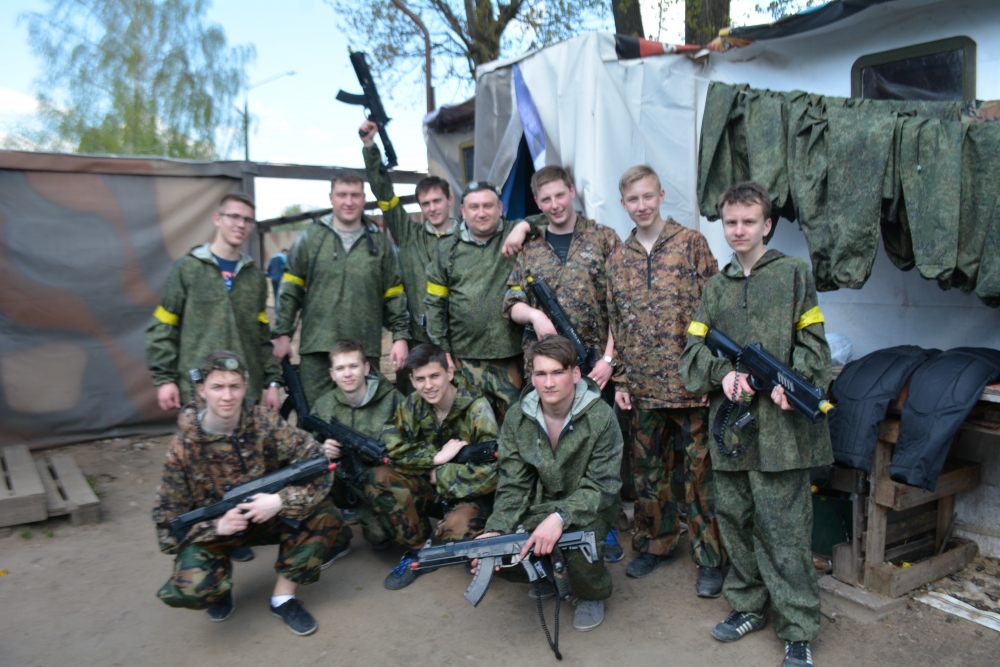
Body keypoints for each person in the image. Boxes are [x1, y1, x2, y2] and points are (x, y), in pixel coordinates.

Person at [679, 181, 833, 667]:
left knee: (785, 532)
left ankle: (798, 629)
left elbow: (815, 346)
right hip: (732, 430)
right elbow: (691, 353)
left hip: (783, 435)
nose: (739, 230)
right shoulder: (715, 287)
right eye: (731, 222)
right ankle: (747, 605)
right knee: (737, 523)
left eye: (749, 221)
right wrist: (723, 375)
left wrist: (795, 384)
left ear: (767, 225)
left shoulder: (793, 274)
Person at [151, 350, 345, 636]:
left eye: (234, 386)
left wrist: (279, 501)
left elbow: (318, 463)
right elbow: (167, 530)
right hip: (217, 529)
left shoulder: (265, 422)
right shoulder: (183, 448)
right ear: (202, 390)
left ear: (245, 387)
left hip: (268, 515)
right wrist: (217, 526)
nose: (227, 396)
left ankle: (283, 599)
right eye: (217, 387)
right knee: (193, 588)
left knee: (325, 515)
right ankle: (217, 588)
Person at [606, 165, 728, 596]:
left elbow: (715, 310)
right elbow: (616, 322)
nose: (641, 206)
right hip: (643, 389)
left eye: (647, 196)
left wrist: (712, 372)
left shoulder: (691, 244)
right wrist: (622, 381)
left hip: (691, 385)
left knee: (701, 476)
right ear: (623, 204)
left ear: (660, 195)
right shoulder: (617, 259)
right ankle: (654, 544)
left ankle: (710, 558)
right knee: (648, 474)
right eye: (632, 199)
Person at [500, 165, 625, 561]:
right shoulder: (530, 245)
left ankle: (603, 524)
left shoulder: (604, 238)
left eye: (559, 195)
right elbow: (510, 301)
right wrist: (535, 316)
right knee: (553, 449)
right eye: (545, 199)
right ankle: (550, 519)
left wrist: (609, 359)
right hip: (546, 370)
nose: (554, 204)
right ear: (537, 203)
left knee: (595, 450)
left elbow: (621, 304)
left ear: (572, 191)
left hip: (593, 367)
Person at [475, 335, 623, 632]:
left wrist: (560, 517)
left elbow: (603, 485)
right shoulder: (517, 417)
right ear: (532, 377)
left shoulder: (601, 417)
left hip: (590, 506)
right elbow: (513, 483)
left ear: (576, 374)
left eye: (558, 372)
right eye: (541, 374)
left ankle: (590, 593)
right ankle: (548, 575)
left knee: (579, 540)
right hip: (540, 503)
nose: (549, 383)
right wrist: (497, 529)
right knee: (498, 550)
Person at [271, 169, 411, 404]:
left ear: (363, 199)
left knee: (364, 418)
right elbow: (291, 288)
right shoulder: (312, 237)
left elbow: (394, 292)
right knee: (315, 416)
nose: (349, 201)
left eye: (355, 195)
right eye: (342, 195)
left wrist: (400, 336)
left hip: (364, 349)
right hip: (318, 349)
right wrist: (283, 333)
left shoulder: (378, 242)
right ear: (331, 198)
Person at [371, 343, 499, 590]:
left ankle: (469, 540)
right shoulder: (413, 405)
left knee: (454, 530)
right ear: (411, 380)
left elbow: (493, 471)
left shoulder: (476, 408)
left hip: (471, 496)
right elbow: (390, 445)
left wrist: (440, 474)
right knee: (380, 477)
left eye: (434, 376)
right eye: (420, 379)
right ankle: (417, 550)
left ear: (449, 373)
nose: (428, 385)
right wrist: (434, 458)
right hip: (433, 492)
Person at [145, 192, 282, 414]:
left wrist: (273, 382)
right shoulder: (189, 268)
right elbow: (164, 324)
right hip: (198, 388)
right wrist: (164, 379)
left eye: (248, 220)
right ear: (217, 219)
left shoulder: (255, 278)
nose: (241, 224)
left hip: (243, 391)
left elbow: (261, 337)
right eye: (234, 216)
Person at [423, 181, 533, 424]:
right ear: (463, 211)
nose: (481, 213)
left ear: (500, 208)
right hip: (465, 360)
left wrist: (524, 226)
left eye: (488, 206)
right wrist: (442, 350)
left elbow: (551, 219)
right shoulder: (447, 250)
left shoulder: (515, 235)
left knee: (516, 425)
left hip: (511, 358)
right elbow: (434, 304)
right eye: (474, 207)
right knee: (472, 427)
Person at [360, 121, 457, 352]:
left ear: (449, 200)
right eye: (425, 203)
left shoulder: (466, 238)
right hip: (419, 340)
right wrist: (370, 146)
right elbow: (384, 193)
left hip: (461, 339)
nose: (432, 208)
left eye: (437, 201)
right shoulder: (408, 235)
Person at [312, 339, 404, 551]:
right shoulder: (324, 405)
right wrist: (321, 450)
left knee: (381, 535)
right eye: (340, 368)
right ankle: (337, 535)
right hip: (339, 479)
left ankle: (365, 513)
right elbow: (303, 446)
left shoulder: (392, 400)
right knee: (309, 477)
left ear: (366, 368)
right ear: (332, 374)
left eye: (353, 366)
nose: (347, 374)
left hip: (375, 482)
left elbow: (412, 440)